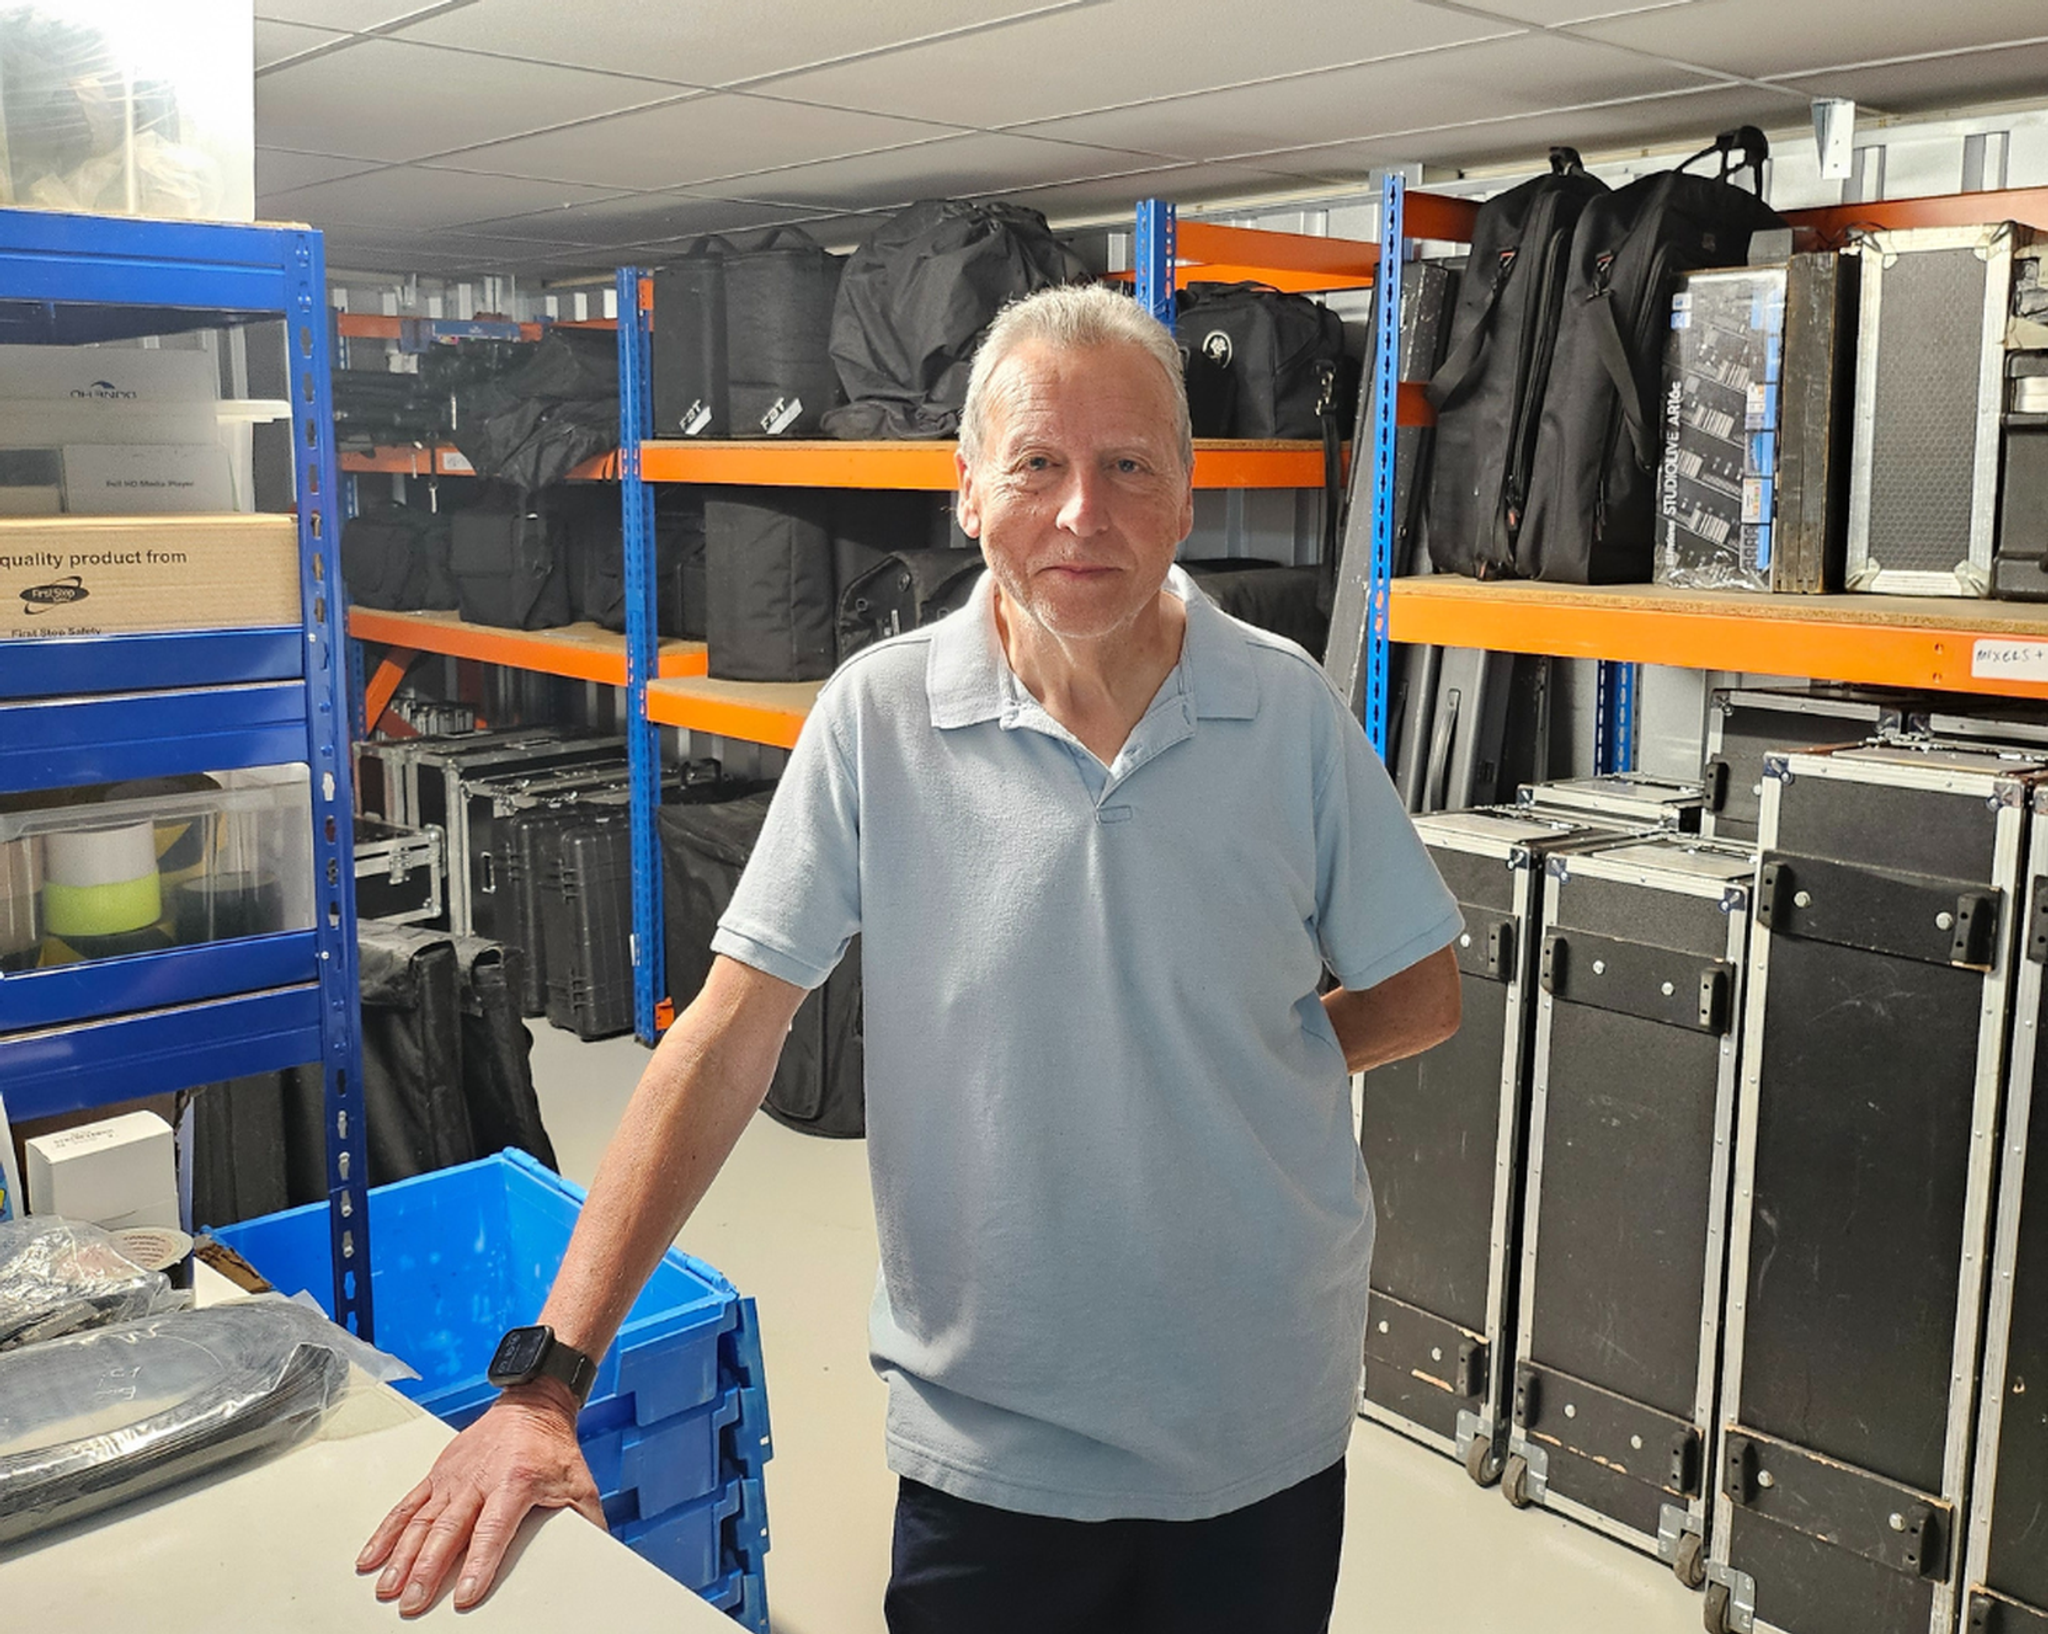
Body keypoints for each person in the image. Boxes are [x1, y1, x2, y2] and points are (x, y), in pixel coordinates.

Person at [357, 283, 1463, 1631]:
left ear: (1187, 497)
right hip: (990, 1443)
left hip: (1259, 1428)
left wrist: (1239, 1066)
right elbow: (723, 1038)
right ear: (967, 488)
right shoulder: (879, 720)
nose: (1082, 514)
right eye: (1039, 464)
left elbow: (1421, 986)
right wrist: (545, 1380)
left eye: (1129, 468)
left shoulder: (1286, 709)